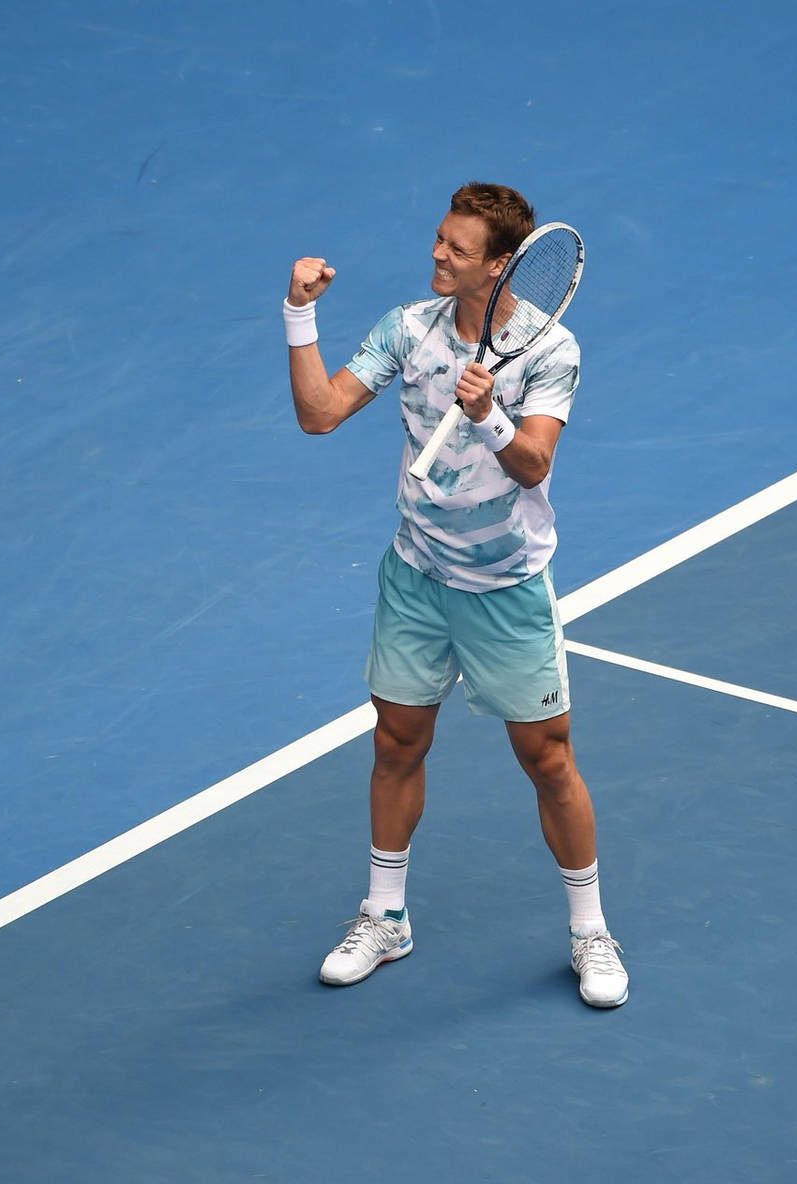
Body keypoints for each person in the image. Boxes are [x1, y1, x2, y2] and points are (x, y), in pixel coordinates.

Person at [282, 181, 627, 1008]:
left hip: (505, 588)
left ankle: (590, 933)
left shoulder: (551, 350)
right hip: (417, 577)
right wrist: (299, 314)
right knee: (397, 743)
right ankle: (385, 917)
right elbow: (320, 415)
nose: (438, 254)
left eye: (457, 249)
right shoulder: (409, 330)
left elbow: (535, 464)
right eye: (439, 239)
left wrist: (489, 417)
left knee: (547, 759)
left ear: (502, 267)